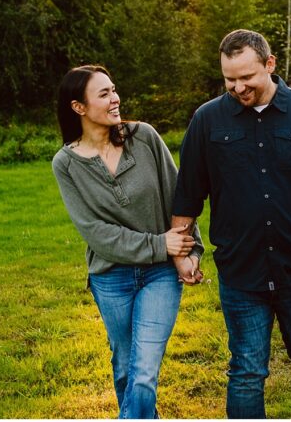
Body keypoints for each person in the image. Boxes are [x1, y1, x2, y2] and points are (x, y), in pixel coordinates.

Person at [171, 29, 291, 419]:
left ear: (270, 65)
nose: (237, 87)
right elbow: (187, 196)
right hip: (241, 272)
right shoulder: (207, 120)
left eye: (246, 77)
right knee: (247, 373)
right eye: (229, 79)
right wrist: (183, 253)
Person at [51, 65, 204, 418]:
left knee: (144, 372)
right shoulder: (66, 164)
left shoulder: (144, 137)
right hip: (111, 277)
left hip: (160, 274)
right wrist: (159, 244)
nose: (115, 98)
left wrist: (188, 251)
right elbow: (97, 233)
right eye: (103, 94)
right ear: (79, 107)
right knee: (125, 368)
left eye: (114, 90)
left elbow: (179, 197)